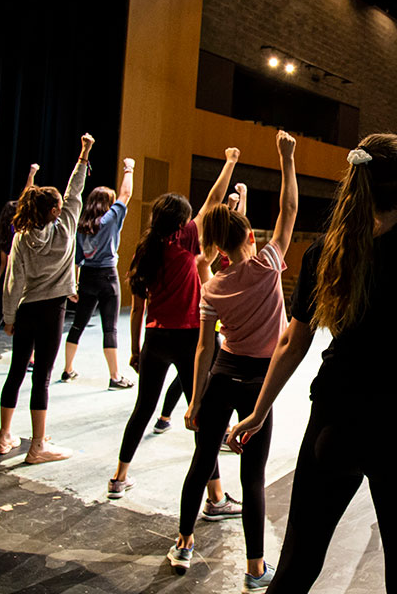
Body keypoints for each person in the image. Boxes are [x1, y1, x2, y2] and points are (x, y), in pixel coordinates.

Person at [228, 7, 397, 593]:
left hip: (334, 419)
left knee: (295, 569)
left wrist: (261, 410)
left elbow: (293, 343)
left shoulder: (325, 253)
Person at [167, 132, 297, 594]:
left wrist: (194, 401)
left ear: (219, 246)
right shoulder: (268, 263)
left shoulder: (214, 287)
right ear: (247, 235)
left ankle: (183, 543)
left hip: (223, 375)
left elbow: (204, 350)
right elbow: (289, 213)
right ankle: (255, 568)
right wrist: (286, 158)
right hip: (260, 382)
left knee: (202, 461)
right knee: (254, 475)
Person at [108, 148, 242, 505]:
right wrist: (228, 161)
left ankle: (119, 477)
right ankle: (215, 498)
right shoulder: (185, 240)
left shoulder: (146, 249)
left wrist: (135, 351)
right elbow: (215, 200)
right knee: (202, 415)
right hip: (188, 340)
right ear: (182, 222)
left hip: (154, 338)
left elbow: (137, 310)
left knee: (143, 409)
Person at [0, 133, 94, 464]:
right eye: (60, 206)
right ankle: (37, 445)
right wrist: (84, 154)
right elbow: (75, 190)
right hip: (52, 310)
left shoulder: (21, 236)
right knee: (43, 378)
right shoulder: (65, 228)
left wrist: (8, 318)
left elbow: (13, 280)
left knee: (16, 372)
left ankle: (3, 436)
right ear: (54, 210)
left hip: (25, 310)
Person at [153, 184, 248, 435]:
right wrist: (231, 206)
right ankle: (219, 427)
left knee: (194, 372)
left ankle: (164, 417)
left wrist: (234, 206)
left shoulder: (208, 258)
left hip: (210, 318)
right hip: (204, 320)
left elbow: (237, 229)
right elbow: (226, 231)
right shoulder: (201, 260)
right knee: (205, 373)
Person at [61, 157, 136, 389]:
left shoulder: (81, 225)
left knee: (77, 325)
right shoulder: (110, 219)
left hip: (86, 278)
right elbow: (126, 194)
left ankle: (67, 369)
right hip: (107, 278)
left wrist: (72, 285)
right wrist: (129, 168)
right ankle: (115, 377)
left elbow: (76, 258)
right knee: (110, 328)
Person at [0, 163, 40, 361]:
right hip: (21, 272)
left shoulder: (5, 234)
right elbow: (26, 197)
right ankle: (29, 357)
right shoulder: (19, 228)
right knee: (26, 312)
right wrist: (32, 174)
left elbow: (3, 264)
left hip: (7, 274)